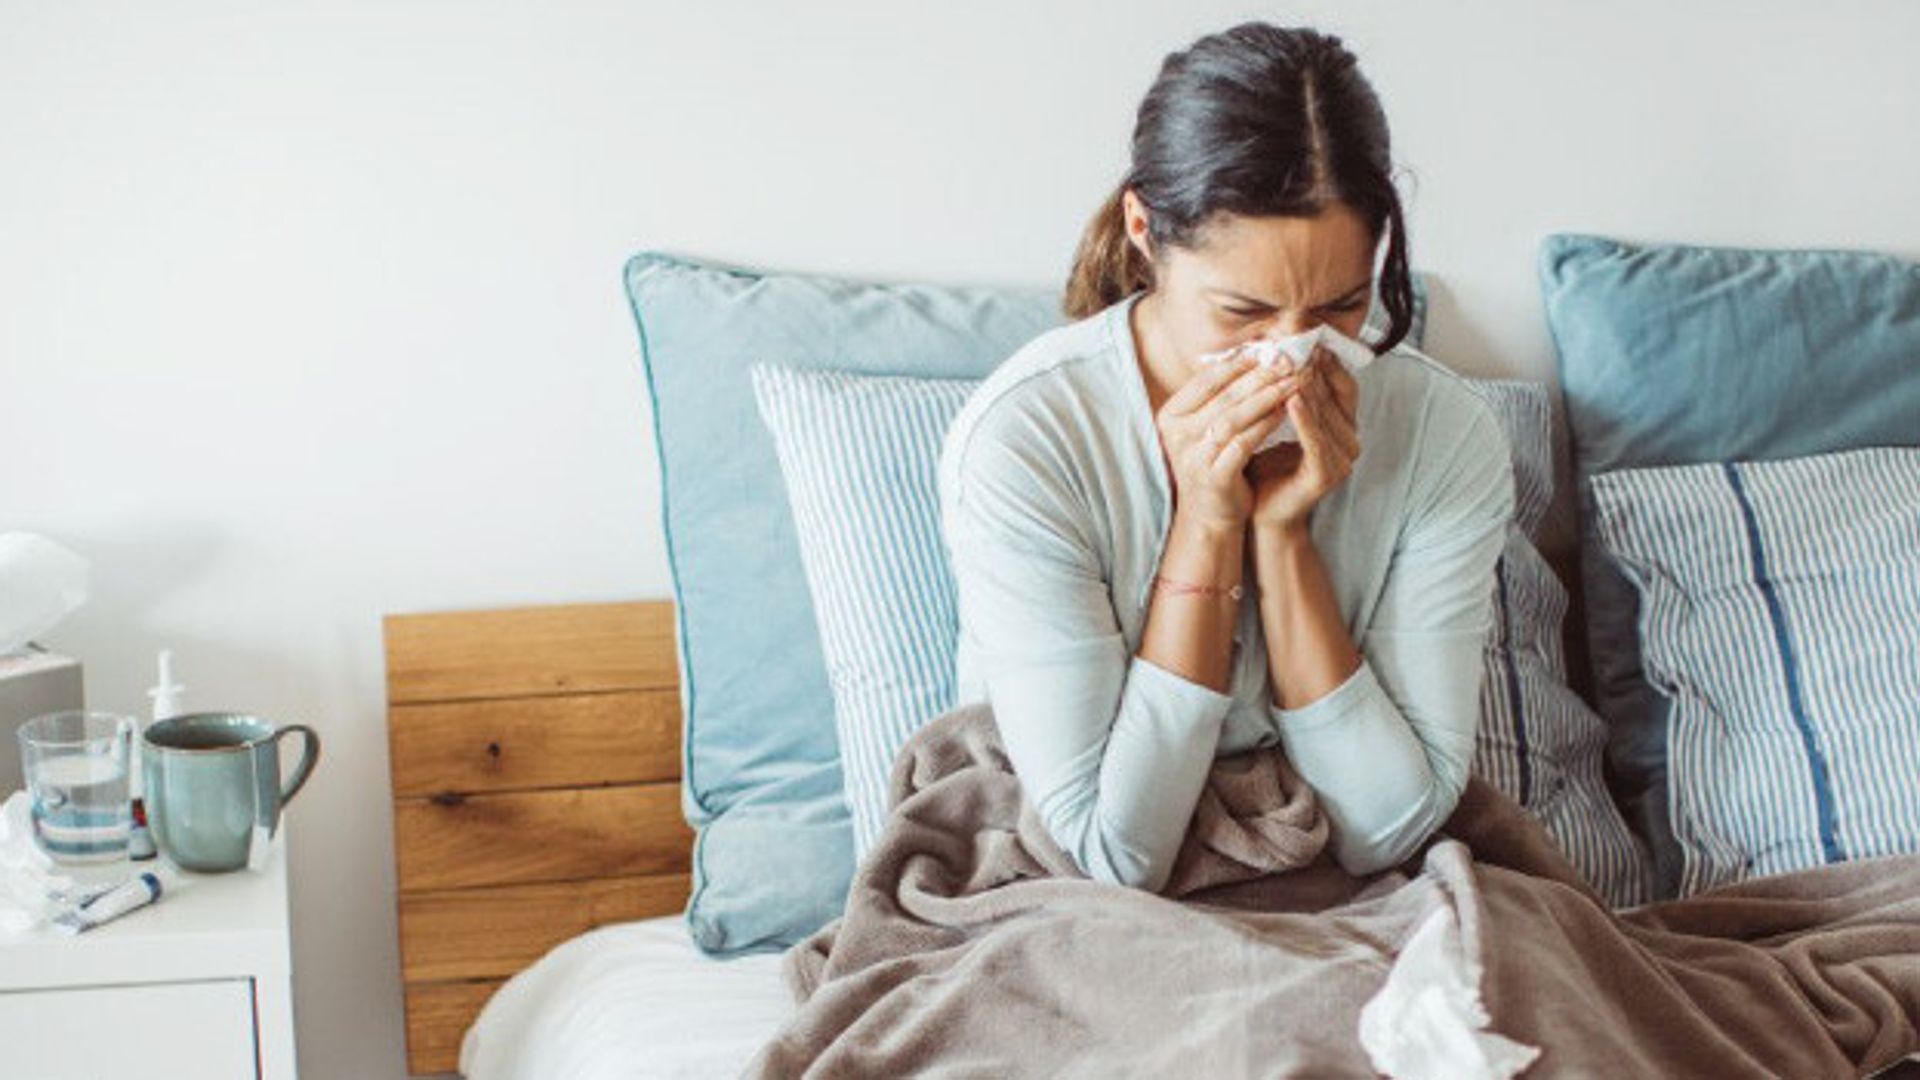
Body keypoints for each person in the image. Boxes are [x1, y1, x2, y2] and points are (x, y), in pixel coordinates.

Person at [936, 21, 1517, 893]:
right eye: (1243, 313)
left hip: (1349, 888)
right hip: (1078, 895)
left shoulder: (1444, 434)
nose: (1292, 355)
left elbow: (1389, 827)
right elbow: (1113, 853)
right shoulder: (1030, 440)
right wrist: (1207, 524)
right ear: (1142, 228)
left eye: (1341, 306)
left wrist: (1282, 539)